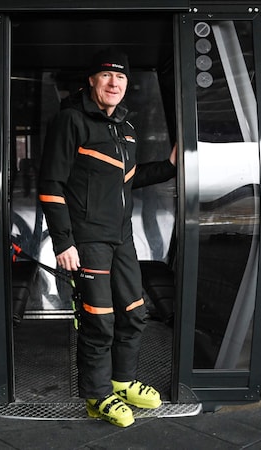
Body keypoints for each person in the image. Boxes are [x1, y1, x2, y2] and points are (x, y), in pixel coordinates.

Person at [38, 47, 177, 427]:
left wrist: (168, 167)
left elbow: (127, 179)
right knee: (99, 321)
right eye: (106, 76)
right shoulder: (72, 121)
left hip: (121, 239)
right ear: (91, 81)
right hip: (88, 241)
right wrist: (63, 241)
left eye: (120, 77)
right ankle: (98, 397)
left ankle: (123, 380)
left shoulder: (126, 129)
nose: (114, 83)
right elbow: (51, 185)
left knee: (134, 313)